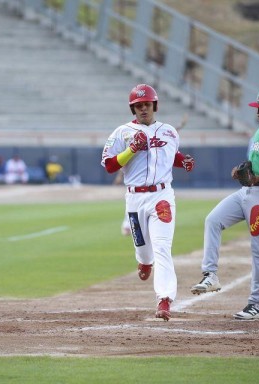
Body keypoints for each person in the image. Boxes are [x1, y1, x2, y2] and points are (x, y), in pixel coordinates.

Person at [190, 89, 259, 320]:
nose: (258, 112)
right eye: (257, 108)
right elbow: (255, 161)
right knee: (213, 220)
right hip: (245, 192)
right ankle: (210, 275)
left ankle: (256, 304)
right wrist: (241, 169)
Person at [101, 84, 195, 321]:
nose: (143, 108)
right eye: (138, 105)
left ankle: (164, 300)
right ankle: (144, 262)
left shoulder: (169, 131)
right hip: (135, 198)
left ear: (155, 105)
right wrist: (131, 149)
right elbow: (109, 165)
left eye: (147, 104)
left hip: (162, 196)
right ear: (132, 108)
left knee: (163, 246)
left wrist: (183, 161)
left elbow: (171, 155)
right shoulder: (122, 132)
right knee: (143, 249)